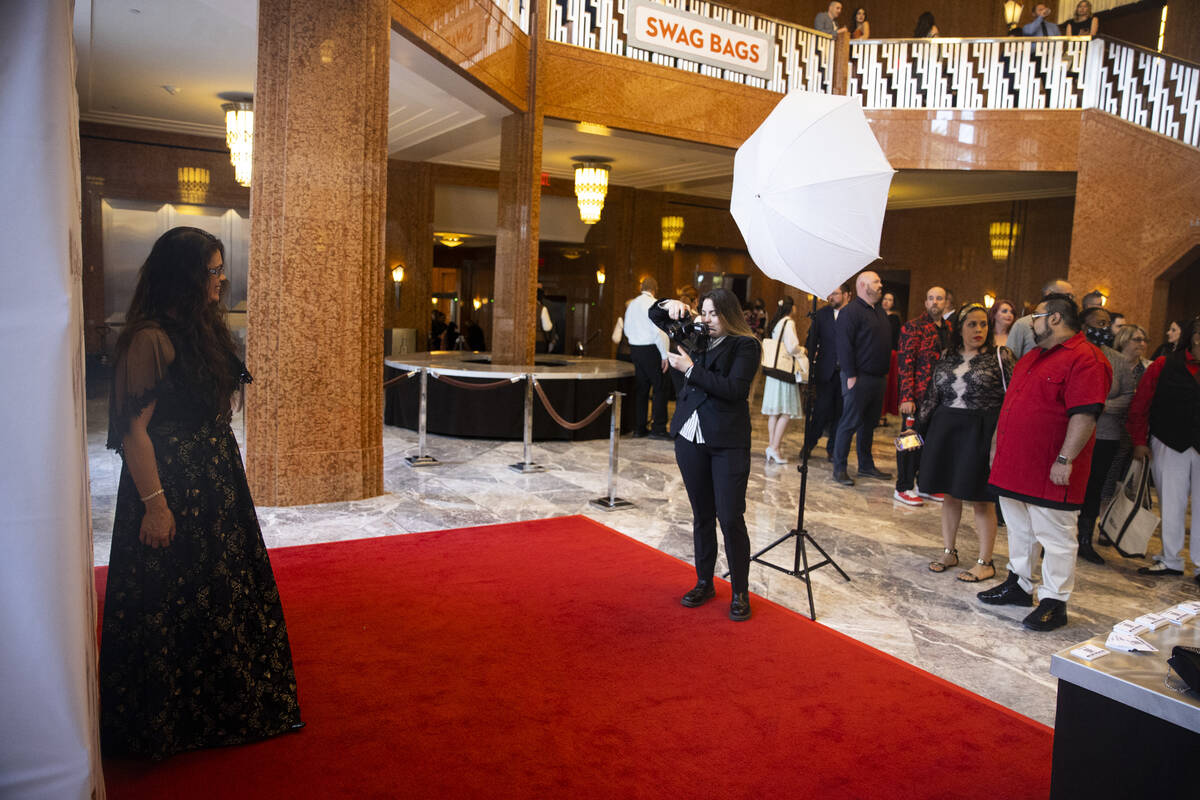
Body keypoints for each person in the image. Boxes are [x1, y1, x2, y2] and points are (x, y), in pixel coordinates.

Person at [99, 227, 301, 759]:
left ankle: (219, 709)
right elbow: (132, 431)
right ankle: (174, 722)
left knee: (218, 595)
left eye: (220, 269)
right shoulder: (149, 338)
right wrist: (156, 506)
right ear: (185, 278)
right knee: (173, 602)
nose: (221, 279)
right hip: (170, 490)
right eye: (211, 271)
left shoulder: (203, 328)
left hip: (215, 484)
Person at [979, 294, 1111, 631]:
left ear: (1054, 318)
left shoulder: (1086, 359)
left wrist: (1065, 458)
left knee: (1055, 535)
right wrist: (997, 445)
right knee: (1020, 529)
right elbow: (1011, 405)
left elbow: (1084, 415)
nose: (1030, 321)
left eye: (1035, 315)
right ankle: (1019, 584)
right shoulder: (1033, 356)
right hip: (1015, 464)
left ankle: (1055, 600)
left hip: (1050, 467)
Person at [657, 289, 761, 621]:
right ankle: (704, 582)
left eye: (714, 313)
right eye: (703, 312)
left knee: (729, 517)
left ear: (730, 315)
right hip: (690, 436)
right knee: (702, 515)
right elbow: (657, 318)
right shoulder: (698, 336)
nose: (705, 319)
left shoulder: (745, 345)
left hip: (727, 441)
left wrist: (690, 369)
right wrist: (667, 304)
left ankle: (740, 591)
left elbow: (735, 390)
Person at [919, 305, 1015, 581]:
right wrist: (913, 428)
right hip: (946, 428)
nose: (979, 331)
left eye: (983, 325)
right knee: (950, 493)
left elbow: (1013, 399)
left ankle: (986, 561)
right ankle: (949, 551)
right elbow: (932, 395)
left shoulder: (1000, 355)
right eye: (972, 324)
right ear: (959, 328)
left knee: (981, 498)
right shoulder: (947, 355)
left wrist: (1002, 438)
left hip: (981, 430)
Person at [1126, 316, 1200, 583]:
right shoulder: (1163, 364)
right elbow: (1141, 403)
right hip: (1169, 440)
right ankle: (1171, 559)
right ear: (1193, 336)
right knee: (1171, 502)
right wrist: (1139, 440)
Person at [1075, 307, 1136, 565]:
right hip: (1075, 433)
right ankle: (1060, 538)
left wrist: (1097, 405)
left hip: (1106, 434)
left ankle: (1086, 540)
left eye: (1107, 324)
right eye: (1098, 323)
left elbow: (1128, 396)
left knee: (1095, 487)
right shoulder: (1075, 354)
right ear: (1083, 326)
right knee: (1070, 487)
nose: (1103, 328)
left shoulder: (1118, 360)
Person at [832, 270, 893, 486]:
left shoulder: (879, 311)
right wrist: (850, 375)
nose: (880, 284)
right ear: (862, 285)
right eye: (876, 281)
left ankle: (866, 465)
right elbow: (844, 345)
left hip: (877, 378)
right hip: (858, 378)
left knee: (869, 425)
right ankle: (839, 468)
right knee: (849, 423)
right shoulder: (851, 312)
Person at [894, 285, 949, 506]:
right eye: (931, 298)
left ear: (946, 303)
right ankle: (903, 487)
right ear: (925, 303)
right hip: (916, 397)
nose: (935, 302)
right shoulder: (913, 327)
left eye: (939, 298)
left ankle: (925, 485)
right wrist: (906, 396)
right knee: (909, 442)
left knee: (931, 443)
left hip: (941, 397)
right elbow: (905, 363)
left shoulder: (949, 329)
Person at [804, 285, 848, 460]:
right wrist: (811, 367)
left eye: (835, 294)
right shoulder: (821, 315)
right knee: (821, 411)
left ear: (846, 295)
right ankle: (808, 445)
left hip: (846, 373)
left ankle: (833, 450)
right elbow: (811, 341)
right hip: (825, 372)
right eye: (829, 293)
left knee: (840, 412)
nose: (831, 297)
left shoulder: (852, 315)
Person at [624, 277, 671, 439]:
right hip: (652, 349)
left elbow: (626, 329)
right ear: (655, 289)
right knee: (659, 388)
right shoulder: (654, 304)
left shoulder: (632, 305)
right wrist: (665, 355)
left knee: (641, 390)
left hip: (635, 349)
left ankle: (639, 427)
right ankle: (658, 428)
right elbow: (660, 331)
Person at [762, 296, 803, 464]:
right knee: (786, 412)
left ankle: (773, 446)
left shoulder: (777, 322)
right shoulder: (789, 322)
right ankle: (774, 447)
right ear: (791, 308)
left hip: (774, 372)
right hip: (784, 371)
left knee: (774, 412)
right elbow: (792, 346)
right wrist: (803, 350)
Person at [1007, 278, 1074, 359]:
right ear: (1049, 294)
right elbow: (1009, 360)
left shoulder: (1072, 325)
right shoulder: (1023, 324)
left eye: (1072, 297)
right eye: (1067, 295)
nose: (1071, 300)